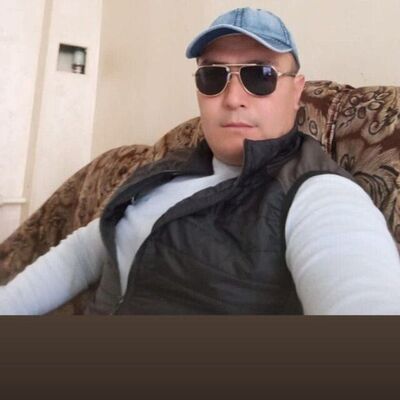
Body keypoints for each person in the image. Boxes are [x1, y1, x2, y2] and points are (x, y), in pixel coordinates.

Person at [1, 7, 400, 315]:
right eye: (213, 76)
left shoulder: (317, 193)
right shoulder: (165, 169)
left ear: (297, 92)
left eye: (260, 75)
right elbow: (84, 253)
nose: (233, 98)